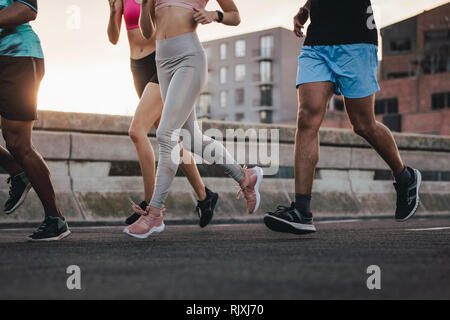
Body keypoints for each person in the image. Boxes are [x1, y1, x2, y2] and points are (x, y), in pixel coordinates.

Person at [264, 0, 422, 235]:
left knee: (363, 125)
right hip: (317, 41)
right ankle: (302, 211)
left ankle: (405, 176)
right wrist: (306, 9)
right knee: (306, 117)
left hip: (356, 39)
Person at [124, 0, 263, 239]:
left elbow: (234, 15)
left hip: (189, 58)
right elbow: (148, 32)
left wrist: (214, 15)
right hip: (163, 62)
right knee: (192, 139)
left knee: (166, 134)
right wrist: (146, 4)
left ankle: (154, 214)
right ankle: (245, 177)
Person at [107, 0, 218, 228]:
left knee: (137, 132)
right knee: (170, 137)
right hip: (137, 67)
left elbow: (165, 25)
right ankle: (205, 196)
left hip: (161, 63)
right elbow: (113, 37)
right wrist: (112, 12)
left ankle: (149, 205)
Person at [0, 0, 70, 241]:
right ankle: (16, 170)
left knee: (18, 142)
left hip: (17, 56)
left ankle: (55, 219)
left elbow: (27, 8)